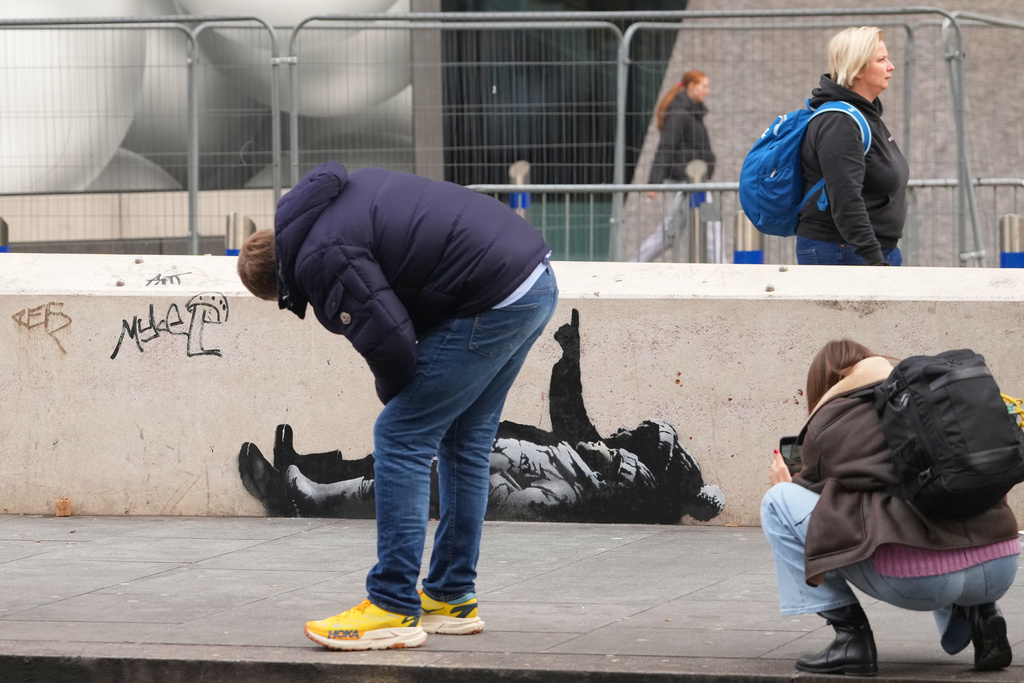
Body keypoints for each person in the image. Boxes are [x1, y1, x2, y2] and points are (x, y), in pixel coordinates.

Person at [236, 160, 558, 651]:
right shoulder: (335, 205)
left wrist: (401, 401)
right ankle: (450, 596)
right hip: (530, 280)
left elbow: (389, 341)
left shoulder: (319, 258)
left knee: (399, 435)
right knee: (464, 440)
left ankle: (392, 605)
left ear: (277, 282)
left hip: (493, 296)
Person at [761, 339, 1019, 675]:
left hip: (921, 580)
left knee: (777, 502)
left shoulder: (828, 420)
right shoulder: (926, 400)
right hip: (1000, 567)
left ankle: (851, 639)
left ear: (823, 386)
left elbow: (815, 508)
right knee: (939, 496)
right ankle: (983, 616)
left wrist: (785, 484)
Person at [796, 26, 910, 266]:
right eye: (881, 60)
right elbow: (846, 199)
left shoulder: (865, 115)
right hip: (845, 251)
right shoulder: (839, 122)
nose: (891, 66)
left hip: (864, 249)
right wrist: (874, 260)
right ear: (857, 69)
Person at [636, 69, 718, 262]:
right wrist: (654, 182)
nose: (707, 91)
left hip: (696, 182)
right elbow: (666, 146)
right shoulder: (679, 112)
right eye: (704, 86)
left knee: (682, 228)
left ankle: (635, 263)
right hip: (687, 183)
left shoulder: (692, 112)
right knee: (705, 227)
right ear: (691, 86)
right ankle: (635, 264)